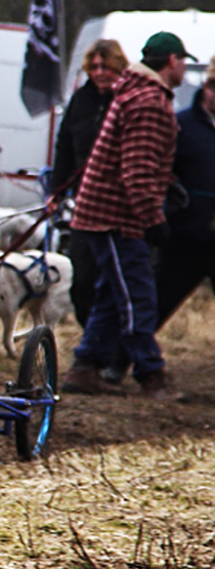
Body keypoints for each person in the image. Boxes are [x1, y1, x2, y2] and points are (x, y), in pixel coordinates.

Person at [61, 31, 192, 401]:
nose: (183, 68)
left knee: (111, 294)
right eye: (183, 61)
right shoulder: (150, 102)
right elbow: (137, 170)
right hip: (116, 216)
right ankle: (152, 375)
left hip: (106, 212)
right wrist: (154, 219)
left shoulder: (135, 94)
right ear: (172, 62)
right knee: (137, 295)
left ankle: (85, 367)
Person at [52, 39, 129, 325]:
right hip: (84, 203)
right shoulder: (80, 101)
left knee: (116, 280)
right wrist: (56, 191)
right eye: (93, 67)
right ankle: (91, 337)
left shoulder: (128, 101)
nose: (99, 72)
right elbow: (64, 147)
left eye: (105, 66)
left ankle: (112, 347)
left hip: (120, 204)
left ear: (118, 67)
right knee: (81, 280)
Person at [154, 60, 215, 328]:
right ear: (206, 86)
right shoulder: (180, 125)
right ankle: (116, 363)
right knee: (158, 302)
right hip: (186, 236)